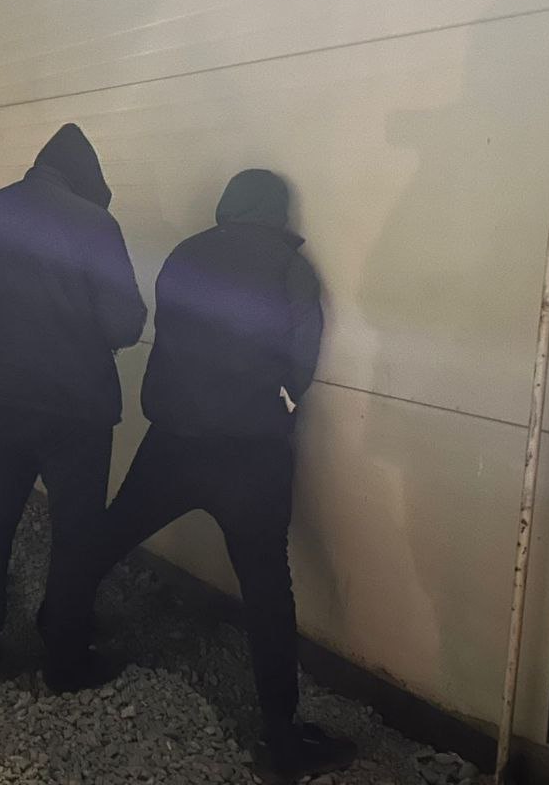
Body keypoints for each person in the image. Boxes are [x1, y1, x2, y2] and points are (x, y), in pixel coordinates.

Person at [89, 169, 356, 779]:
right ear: (277, 212)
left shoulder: (185, 253)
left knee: (114, 530)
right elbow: (301, 360)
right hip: (250, 451)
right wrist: (276, 404)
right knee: (267, 588)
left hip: (174, 437)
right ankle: (281, 739)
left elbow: (168, 328)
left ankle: (59, 622)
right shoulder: (292, 269)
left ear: (228, 206)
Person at [0, 122, 146, 693]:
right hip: (75, 410)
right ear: (85, 178)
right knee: (76, 535)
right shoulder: (95, 223)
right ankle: (64, 661)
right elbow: (124, 325)